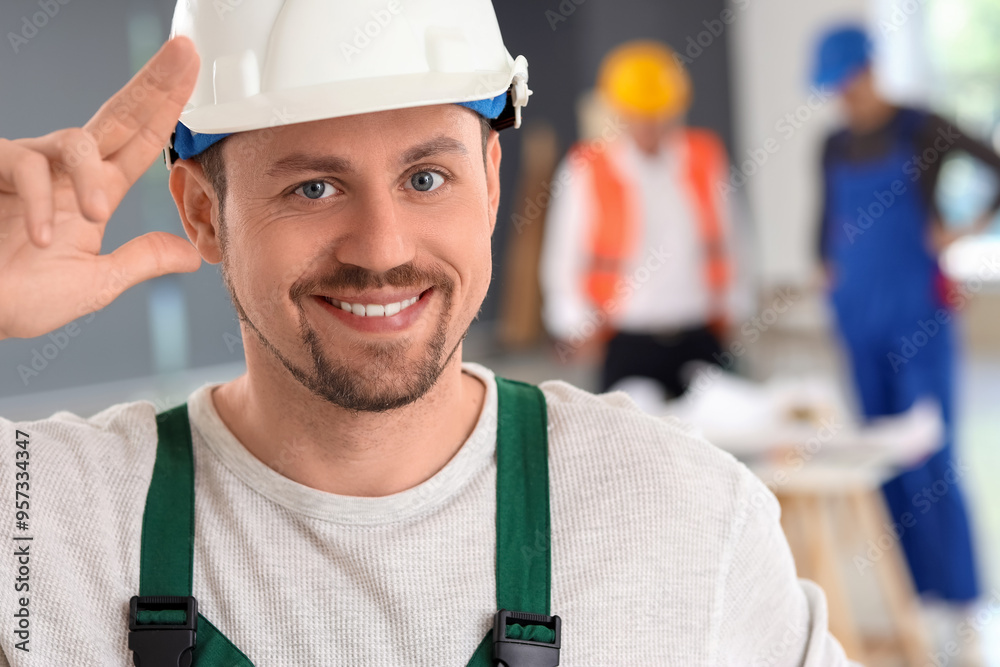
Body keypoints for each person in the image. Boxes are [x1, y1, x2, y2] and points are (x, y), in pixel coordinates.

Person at [0, 3, 850, 664]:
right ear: (202, 213)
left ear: (488, 183)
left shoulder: (684, 514)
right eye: (314, 189)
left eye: (425, 176)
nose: (383, 249)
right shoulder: (46, 519)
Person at [813, 24, 1000, 650]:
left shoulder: (921, 127)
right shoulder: (833, 143)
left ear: (869, 70)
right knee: (883, 462)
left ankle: (966, 605)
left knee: (932, 462)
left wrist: (963, 228)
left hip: (917, 315)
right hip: (855, 318)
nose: (844, 99)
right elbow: (824, 226)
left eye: (847, 83)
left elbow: (995, 165)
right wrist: (826, 270)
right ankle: (915, 605)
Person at [540, 40, 749, 396]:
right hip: (625, 338)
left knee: (713, 437)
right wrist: (575, 322)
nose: (650, 124)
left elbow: (735, 240)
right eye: (639, 113)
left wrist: (736, 306)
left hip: (700, 331)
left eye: (660, 112)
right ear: (618, 111)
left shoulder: (704, 158)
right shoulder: (588, 168)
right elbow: (563, 257)